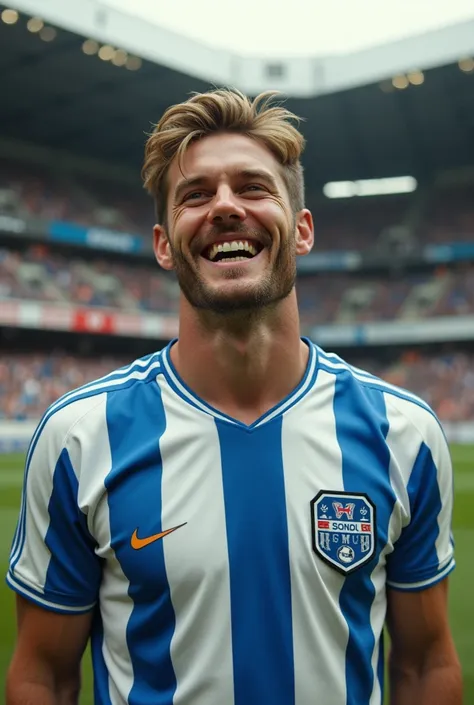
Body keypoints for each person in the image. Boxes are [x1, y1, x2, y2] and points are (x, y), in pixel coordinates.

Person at [6, 89, 462, 705]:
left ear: (301, 230)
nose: (224, 207)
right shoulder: (79, 437)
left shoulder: (403, 433)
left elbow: (425, 664)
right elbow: (44, 675)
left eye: (253, 187)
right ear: (165, 243)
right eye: (195, 194)